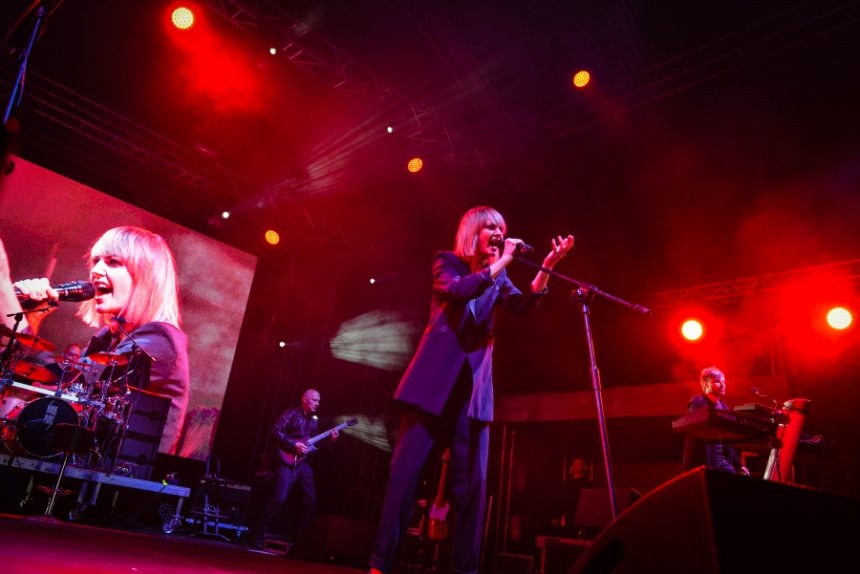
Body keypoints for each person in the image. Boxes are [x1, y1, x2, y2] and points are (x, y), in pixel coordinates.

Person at [369, 206, 574, 574]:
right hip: (431, 387)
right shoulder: (447, 263)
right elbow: (458, 291)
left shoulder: (498, 276)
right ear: (472, 231)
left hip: (472, 393)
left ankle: (465, 570)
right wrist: (503, 262)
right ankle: (381, 564)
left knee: (474, 488)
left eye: (502, 229)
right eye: (491, 227)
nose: (499, 234)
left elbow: (521, 306)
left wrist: (547, 267)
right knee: (404, 478)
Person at [12, 226, 189, 455]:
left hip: (123, 471)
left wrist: (8, 298)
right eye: (95, 261)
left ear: (146, 277)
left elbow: (72, 391)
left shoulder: (160, 338)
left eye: (113, 262)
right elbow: (52, 380)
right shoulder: (108, 338)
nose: (95, 270)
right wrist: (31, 319)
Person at [250, 388, 338, 548]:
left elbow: (312, 444)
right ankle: (256, 536)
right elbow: (275, 431)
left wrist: (330, 440)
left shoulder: (314, 421)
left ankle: (300, 543)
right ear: (305, 399)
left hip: (303, 464)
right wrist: (294, 444)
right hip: (287, 461)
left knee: (310, 502)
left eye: (319, 401)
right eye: (315, 400)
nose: (318, 404)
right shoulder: (291, 414)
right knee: (279, 499)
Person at [683, 366, 750, 475]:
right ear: (706, 384)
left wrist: (739, 466)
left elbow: (728, 440)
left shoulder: (723, 407)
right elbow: (697, 430)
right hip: (704, 463)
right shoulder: (697, 402)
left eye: (724, 382)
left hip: (722, 462)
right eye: (717, 381)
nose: (723, 384)